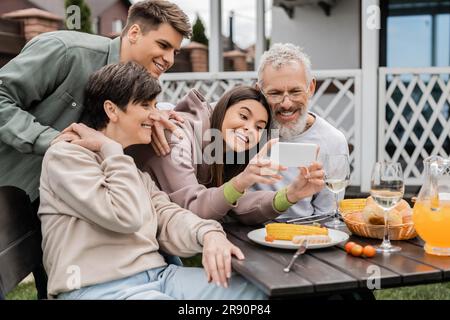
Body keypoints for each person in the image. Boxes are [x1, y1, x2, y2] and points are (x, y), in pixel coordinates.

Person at [38, 61, 266, 300]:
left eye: (156, 105)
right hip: (97, 288)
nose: (157, 115)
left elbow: (166, 215)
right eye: (146, 105)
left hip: (159, 278)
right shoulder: (66, 157)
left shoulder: (128, 168)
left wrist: (209, 234)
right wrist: (111, 149)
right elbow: (125, 216)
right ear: (112, 110)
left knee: (256, 292)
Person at [0, 0, 187, 203]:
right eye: (163, 45)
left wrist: (149, 116)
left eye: (175, 52)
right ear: (134, 33)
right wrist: (54, 141)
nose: (170, 60)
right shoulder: (67, 52)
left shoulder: (141, 90)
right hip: (9, 193)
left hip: (58, 216)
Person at [127, 86, 324, 225]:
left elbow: (237, 207)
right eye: (243, 116)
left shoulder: (224, 149)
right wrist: (240, 182)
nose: (248, 129)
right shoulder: (177, 136)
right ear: (222, 109)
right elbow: (193, 208)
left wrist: (291, 194)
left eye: (258, 127)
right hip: (127, 237)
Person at [253, 43, 349, 220]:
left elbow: (327, 215)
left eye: (296, 91)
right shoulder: (244, 131)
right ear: (259, 92)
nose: (286, 103)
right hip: (242, 234)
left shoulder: (332, 140)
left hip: (303, 234)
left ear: (311, 88)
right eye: (275, 93)